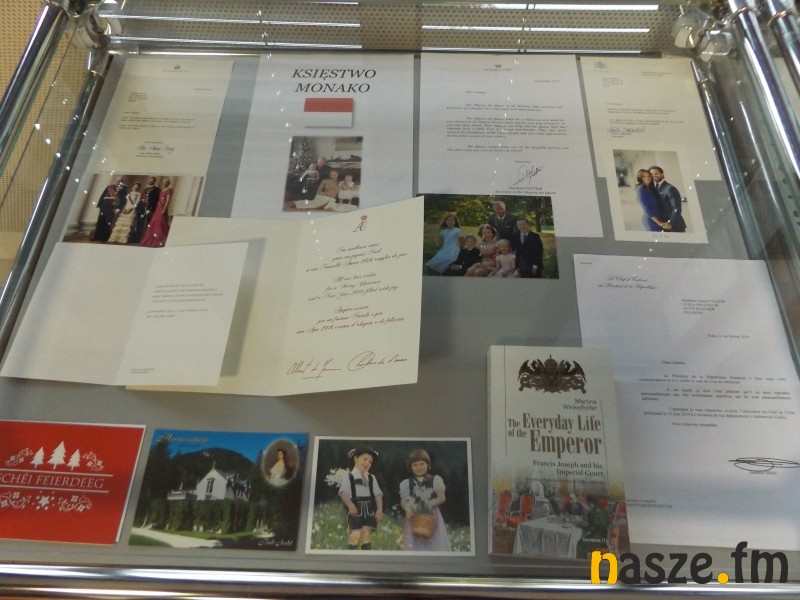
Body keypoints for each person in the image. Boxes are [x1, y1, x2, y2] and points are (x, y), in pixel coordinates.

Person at [399, 449, 451, 551]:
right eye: (415, 465)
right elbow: (404, 500)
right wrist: (407, 509)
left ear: (428, 465)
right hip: (414, 514)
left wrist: (430, 503)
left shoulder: (435, 480)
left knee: (434, 538)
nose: (419, 467)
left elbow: (441, 497)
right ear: (411, 467)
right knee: (415, 538)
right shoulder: (407, 483)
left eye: (422, 464)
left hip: (431, 514)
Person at [338, 447, 383, 550]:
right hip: (355, 507)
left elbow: (378, 494)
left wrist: (379, 509)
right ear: (355, 458)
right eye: (365, 459)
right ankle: (351, 550)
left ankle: (366, 550)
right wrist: (350, 506)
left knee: (367, 532)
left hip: (369, 508)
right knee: (355, 533)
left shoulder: (371, 477)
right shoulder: (349, 476)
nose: (367, 463)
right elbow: (343, 493)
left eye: (370, 462)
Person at [649, 165, 686, 233]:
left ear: (662, 174)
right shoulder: (656, 187)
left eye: (656, 173)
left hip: (673, 226)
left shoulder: (670, 188)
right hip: (664, 224)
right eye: (651, 174)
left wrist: (670, 223)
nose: (654, 175)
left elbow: (676, 208)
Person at [140, 178, 173, 247]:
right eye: (164, 182)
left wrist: (164, 209)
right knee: (154, 222)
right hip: (157, 207)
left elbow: (167, 201)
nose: (164, 183)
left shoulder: (169, 189)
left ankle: (159, 240)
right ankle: (151, 238)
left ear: (168, 183)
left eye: (166, 182)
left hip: (162, 208)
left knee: (160, 222)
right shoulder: (161, 190)